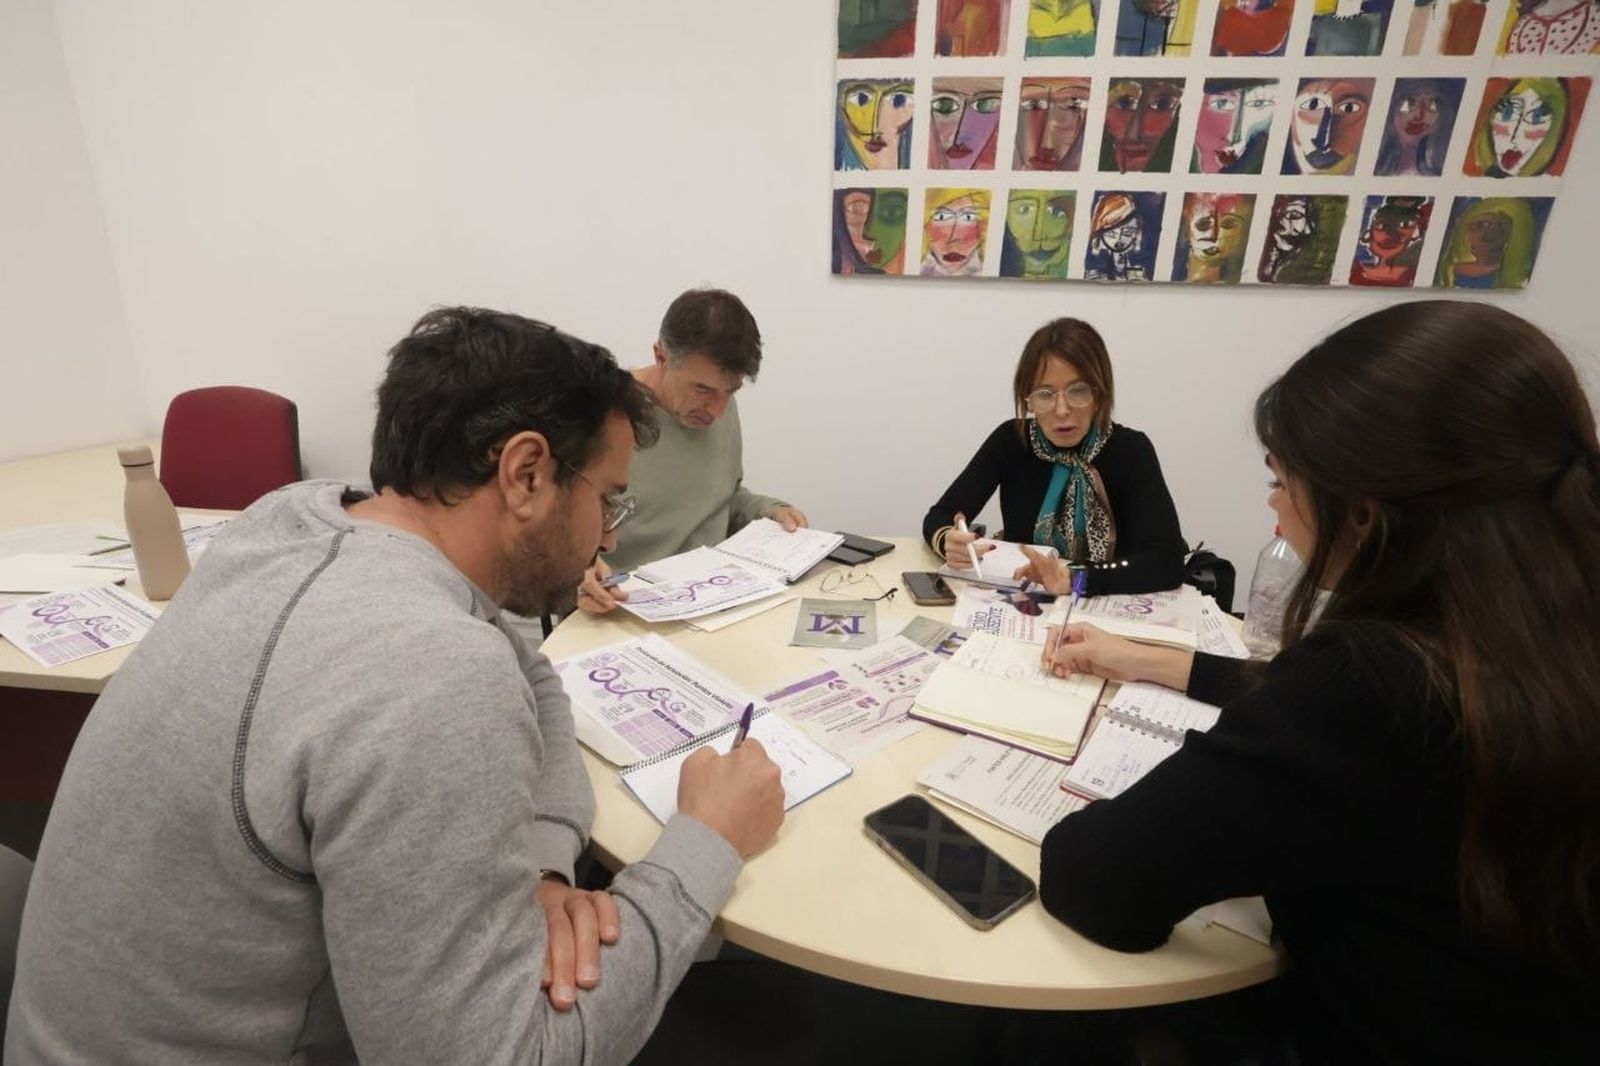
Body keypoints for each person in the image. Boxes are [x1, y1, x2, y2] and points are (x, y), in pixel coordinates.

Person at [5, 308, 788, 1064]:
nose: (610, 534)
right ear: (525, 474)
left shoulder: (299, 518)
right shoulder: (429, 678)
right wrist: (708, 842)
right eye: (607, 498)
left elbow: (531, 677)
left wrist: (542, 870)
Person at [1037, 301, 1600, 1061]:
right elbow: (1299, 704)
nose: (1274, 516)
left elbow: (1095, 881)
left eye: (1280, 483)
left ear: (1364, 513)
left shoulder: (1374, 682)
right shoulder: (1539, 630)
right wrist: (1147, 659)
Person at [578, 289, 806, 614]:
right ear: (661, 357)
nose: (717, 409)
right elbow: (550, 534)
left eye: (732, 391)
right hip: (624, 607)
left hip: (713, 598)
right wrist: (579, 573)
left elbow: (717, 496)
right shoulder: (603, 417)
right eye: (703, 389)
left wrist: (767, 509)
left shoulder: (719, 406)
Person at [923, 317, 1186, 598]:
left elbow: (1166, 562)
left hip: (1105, 606)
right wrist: (948, 541)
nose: (1061, 410)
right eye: (1045, 394)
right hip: (1023, 604)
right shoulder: (1012, 440)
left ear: (1100, 393)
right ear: (1029, 399)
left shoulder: (1130, 450)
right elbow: (940, 515)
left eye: (1078, 391)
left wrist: (1075, 579)